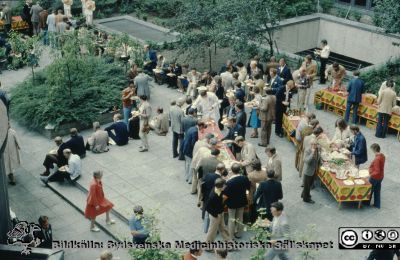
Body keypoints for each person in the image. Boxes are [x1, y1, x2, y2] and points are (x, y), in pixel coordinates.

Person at [223, 163, 250, 239]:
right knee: (240, 217)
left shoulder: (229, 182)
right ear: (240, 170)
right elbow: (248, 188)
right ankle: (239, 234)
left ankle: (231, 236)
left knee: (231, 219)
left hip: (231, 202)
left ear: (231, 171)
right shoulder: (245, 178)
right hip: (241, 200)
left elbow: (225, 194)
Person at [205, 178, 230, 242]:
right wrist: (216, 215)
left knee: (223, 228)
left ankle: (230, 243)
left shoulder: (217, 189)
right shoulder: (213, 196)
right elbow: (207, 207)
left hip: (220, 212)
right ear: (220, 187)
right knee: (212, 231)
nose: (225, 186)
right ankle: (208, 246)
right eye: (224, 185)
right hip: (215, 215)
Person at [368, 143, 385, 209]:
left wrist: (370, 174)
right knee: (377, 190)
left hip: (375, 177)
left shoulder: (377, 159)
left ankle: (366, 203)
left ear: (374, 149)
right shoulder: (382, 156)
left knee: (370, 191)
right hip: (381, 176)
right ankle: (377, 204)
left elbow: (377, 171)